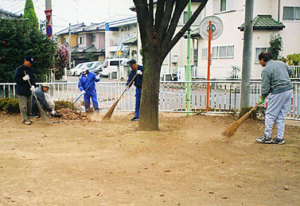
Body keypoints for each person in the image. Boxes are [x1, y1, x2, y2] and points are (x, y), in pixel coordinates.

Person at [256, 52, 293, 145]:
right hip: (288, 90)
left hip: (278, 92)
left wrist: (263, 96)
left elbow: (265, 86)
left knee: (270, 114)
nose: (260, 63)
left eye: (259, 61)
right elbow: (291, 72)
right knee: (281, 115)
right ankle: (279, 138)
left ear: (262, 60)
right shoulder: (281, 63)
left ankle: (267, 137)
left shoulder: (266, 70)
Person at [14, 56, 36, 125]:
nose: (30, 64)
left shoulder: (30, 70)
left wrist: (33, 86)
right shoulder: (19, 69)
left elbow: (32, 79)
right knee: (23, 106)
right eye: (29, 62)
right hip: (21, 91)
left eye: (31, 63)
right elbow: (16, 79)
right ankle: (25, 119)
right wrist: (22, 79)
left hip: (28, 90)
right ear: (25, 61)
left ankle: (28, 118)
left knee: (29, 106)